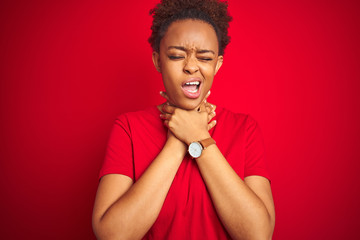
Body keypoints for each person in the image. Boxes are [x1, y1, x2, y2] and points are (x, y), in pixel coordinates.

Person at [92, 0, 275, 239]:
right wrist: (177, 140)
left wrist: (199, 137)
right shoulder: (128, 128)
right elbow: (112, 235)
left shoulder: (244, 129)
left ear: (217, 65)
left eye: (205, 58)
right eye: (177, 56)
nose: (191, 67)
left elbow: (258, 235)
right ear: (158, 61)